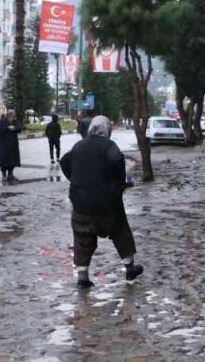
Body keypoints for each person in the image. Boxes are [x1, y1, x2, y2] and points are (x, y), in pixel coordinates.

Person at [60, 115, 143, 288]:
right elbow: (116, 161)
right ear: (107, 131)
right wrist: (120, 183)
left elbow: (65, 161)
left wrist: (75, 179)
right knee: (121, 233)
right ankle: (129, 268)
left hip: (81, 202)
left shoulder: (78, 146)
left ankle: (82, 275)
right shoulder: (109, 146)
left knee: (82, 237)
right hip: (108, 203)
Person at [0, 111, 21, 180]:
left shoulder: (15, 121)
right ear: (9, 115)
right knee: (4, 160)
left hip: (13, 144)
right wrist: (8, 128)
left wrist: (14, 128)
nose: (13, 117)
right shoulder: (2, 121)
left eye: (14, 116)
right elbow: (0, 128)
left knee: (13, 160)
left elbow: (19, 127)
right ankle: (4, 175)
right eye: (12, 116)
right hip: (4, 144)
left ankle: (10, 174)